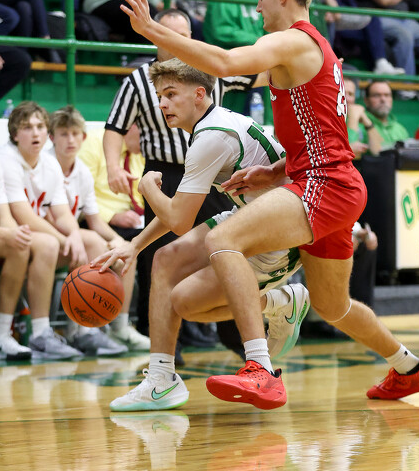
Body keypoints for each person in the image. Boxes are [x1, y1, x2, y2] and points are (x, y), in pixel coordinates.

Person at [118, 0, 419, 410]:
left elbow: (225, 63)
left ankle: (261, 369)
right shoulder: (311, 50)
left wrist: (153, 30)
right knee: (333, 306)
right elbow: (322, 132)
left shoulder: (294, 41)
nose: (257, 8)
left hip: (324, 184)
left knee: (224, 239)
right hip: (329, 181)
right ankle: (412, 367)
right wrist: (272, 172)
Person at [93, 58, 310, 411]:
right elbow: (182, 209)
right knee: (164, 258)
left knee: (185, 302)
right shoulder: (212, 126)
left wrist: (147, 187)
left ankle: (279, 302)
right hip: (249, 218)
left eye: (170, 94)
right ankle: (161, 380)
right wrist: (134, 245)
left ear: (198, 94)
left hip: (278, 237)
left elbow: (178, 220)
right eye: (159, 96)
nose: (162, 104)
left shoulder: (211, 137)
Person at [103, 8, 266, 341]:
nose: (177, 41)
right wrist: (112, 167)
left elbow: (263, 75)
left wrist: (309, 68)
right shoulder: (138, 80)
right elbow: (115, 127)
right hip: (166, 172)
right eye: (169, 34)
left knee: (221, 253)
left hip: (218, 176)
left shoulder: (212, 72)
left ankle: (240, 338)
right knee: (161, 258)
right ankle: (165, 347)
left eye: (183, 36)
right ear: (156, 37)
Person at [49, 106, 150, 355]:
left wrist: (118, 241)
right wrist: (74, 236)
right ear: (52, 137)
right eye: (64, 134)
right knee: (93, 242)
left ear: (82, 137)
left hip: (73, 234)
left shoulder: (81, 172)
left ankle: (120, 326)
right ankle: (82, 329)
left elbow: (95, 219)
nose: (70, 140)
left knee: (126, 251)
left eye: (75, 134)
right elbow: (50, 216)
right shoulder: (47, 166)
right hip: (49, 234)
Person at [0, 101, 85, 359]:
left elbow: (62, 213)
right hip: (4, 232)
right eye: (27, 127)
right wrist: (64, 239)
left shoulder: (49, 163)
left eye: (40, 126)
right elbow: (22, 216)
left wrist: (75, 235)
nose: (35, 133)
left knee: (90, 244)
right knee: (49, 244)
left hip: (17, 232)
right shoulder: (4, 161)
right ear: (15, 134)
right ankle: (40, 332)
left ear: (47, 132)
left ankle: (82, 329)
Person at [78, 124, 154, 350]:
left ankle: (152, 325)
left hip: (130, 222)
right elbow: (81, 194)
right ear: (132, 126)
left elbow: (140, 197)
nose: (148, 139)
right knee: (137, 248)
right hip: (97, 220)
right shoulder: (93, 143)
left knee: (161, 243)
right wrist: (112, 216)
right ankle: (121, 325)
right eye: (145, 132)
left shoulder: (138, 152)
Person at [0, 152, 60, 360]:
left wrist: (16, 233)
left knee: (19, 245)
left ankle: (1, 334)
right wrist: (6, 234)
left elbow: (5, 217)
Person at [363, 80, 409, 151]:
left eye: (387, 95)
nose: (383, 99)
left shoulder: (400, 129)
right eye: (376, 95)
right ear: (366, 101)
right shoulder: (359, 125)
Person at [343, 76, 382, 157]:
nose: (347, 98)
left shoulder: (362, 118)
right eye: (342, 93)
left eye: (350, 94)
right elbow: (349, 154)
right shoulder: (328, 120)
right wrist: (353, 119)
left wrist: (367, 122)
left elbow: (378, 151)